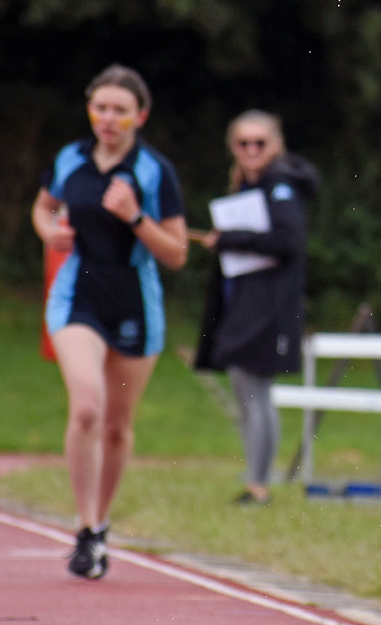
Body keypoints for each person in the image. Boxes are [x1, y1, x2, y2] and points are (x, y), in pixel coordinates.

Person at [31, 64, 188, 580]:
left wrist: (134, 216)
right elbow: (44, 205)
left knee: (117, 427)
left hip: (135, 305)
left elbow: (177, 254)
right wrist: (49, 233)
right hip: (76, 299)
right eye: (100, 107)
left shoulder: (153, 171)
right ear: (90, 110)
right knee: (87, 409)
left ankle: (100, 529)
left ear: (139, 116)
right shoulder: (70, 158)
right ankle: (84, 524)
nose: (108, 119)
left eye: (120, 110)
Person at [192, 109, 320, 506]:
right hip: (245, 302)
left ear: (276, 145)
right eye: (243, 143)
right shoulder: (249, 185)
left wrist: (230, 239)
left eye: (259, 143)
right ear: (233, 147)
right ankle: (256, 478)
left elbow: (288, 242)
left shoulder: (280, 185)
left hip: (268, 306)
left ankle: (259, 484)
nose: (251, 150)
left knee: (254, 393)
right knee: (248, 391)